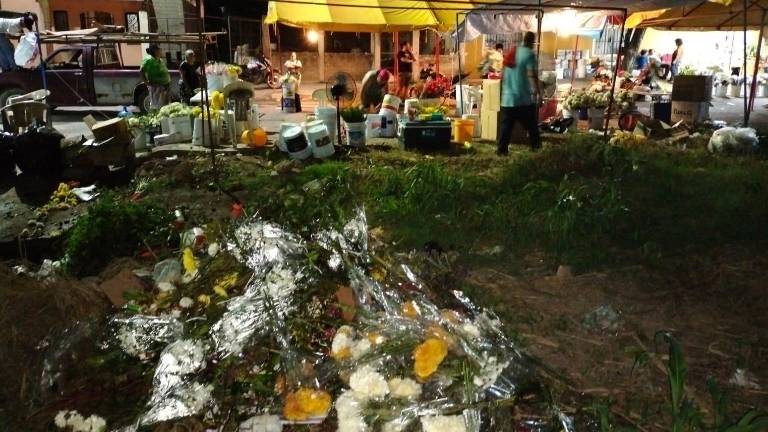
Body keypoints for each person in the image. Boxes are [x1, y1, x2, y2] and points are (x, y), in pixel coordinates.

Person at [497, 31, 541, 155]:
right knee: (531, 126)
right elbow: (532, 74)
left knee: (506, 127)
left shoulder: (512, 52)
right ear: (532, 42)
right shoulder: (529, 54)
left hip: (507, 98)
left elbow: (503, 74)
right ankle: (537, 149)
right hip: (522, 98)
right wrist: (538, 92)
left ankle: (501, 150)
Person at [140, 44, 170, 111]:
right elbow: (141, 71)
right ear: (155, 51)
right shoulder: (149, 59)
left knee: (165, 106)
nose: (161, 51)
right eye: (159, 49)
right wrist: (147, 83)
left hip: (164, 86)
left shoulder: (160, 60)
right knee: (157, 106)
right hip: (156, 87)